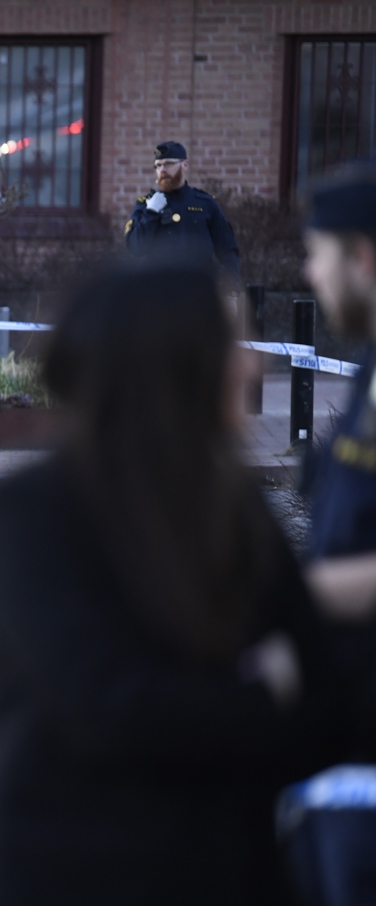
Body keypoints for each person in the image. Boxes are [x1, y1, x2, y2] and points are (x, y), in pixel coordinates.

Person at [0, 261, 353, 906]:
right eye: (232, 345)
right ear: (172, 362)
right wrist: (264, 696)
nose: (252, 368)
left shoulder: (237, 511)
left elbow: (330, 701)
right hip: (68, 876)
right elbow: (112, 708)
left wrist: (250, 705)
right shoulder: (32, 514)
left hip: (231, 874)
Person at [292, 161, 376, 904]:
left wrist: (286, 598)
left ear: (364, 258)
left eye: (319, 253)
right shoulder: (370, 372)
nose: (309, 273)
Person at [124, 140, 241, 281]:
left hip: (197, 291)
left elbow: (228, 250)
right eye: (158, 165)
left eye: (168, 164)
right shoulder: (146, 205)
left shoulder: (206, 204)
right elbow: (135, 248)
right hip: (156, 293)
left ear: (185, 165)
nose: (162, 170)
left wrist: (228, 283)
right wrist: (151, 212)